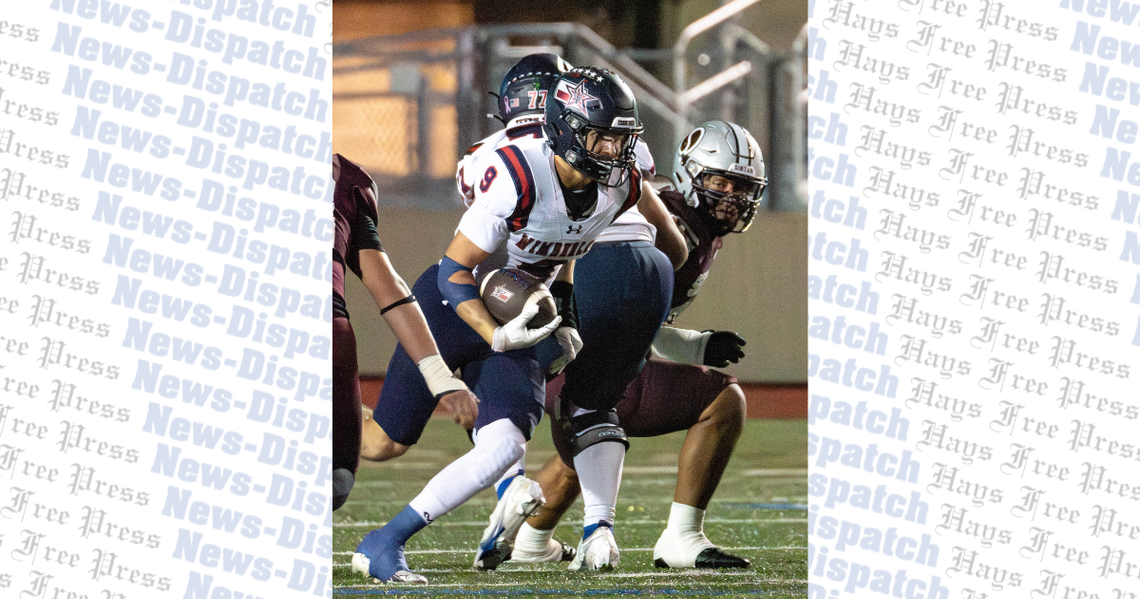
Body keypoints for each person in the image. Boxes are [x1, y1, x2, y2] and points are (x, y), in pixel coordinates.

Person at [351, 66, 651, 584]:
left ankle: (384, 540)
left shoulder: (621, 187)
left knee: (506, 447)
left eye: (622, 139)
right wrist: (494, 335)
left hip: (521, 312)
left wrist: (565, 307)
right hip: (451, 309)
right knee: (383, 444)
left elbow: (567, 247)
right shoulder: (517, 173)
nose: (615, 151)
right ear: (568, 131)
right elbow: (453, 271)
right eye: (603, 137)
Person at [509, 121, 765, 570]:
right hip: (575, 349)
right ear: (690, 175)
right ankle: (682, 537)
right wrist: (694, 347)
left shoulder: (689, 222)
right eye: (721, 183)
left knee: (587, 450)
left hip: (571, 353)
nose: (733, 197)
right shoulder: (670, 225)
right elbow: (625, 312)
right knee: (722, 401)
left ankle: (530, 540)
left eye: (743, 188)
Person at [330, 154, 479, 511]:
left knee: (337, 478)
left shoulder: (346, 180)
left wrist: (439, 374)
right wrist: (437, 374)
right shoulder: (344, 178)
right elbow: (390, 291)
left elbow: (390, 290)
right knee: (336, 478)